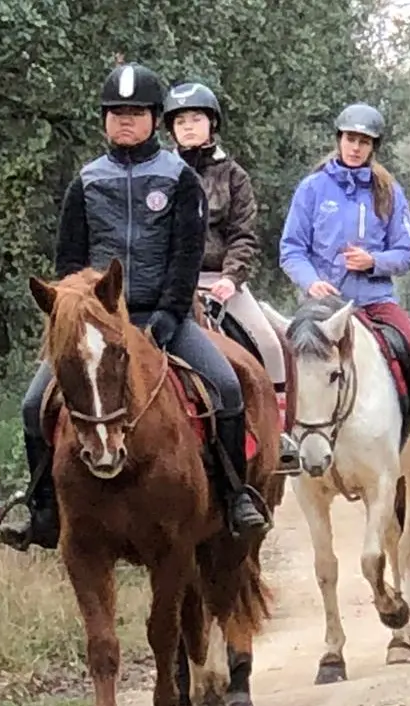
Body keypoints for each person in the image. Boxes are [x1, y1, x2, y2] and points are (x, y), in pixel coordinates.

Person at [0, 62, 272, 551]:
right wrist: (73, 315)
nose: (125, 121)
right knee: (32, 403)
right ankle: (41, 509)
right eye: (116, 113)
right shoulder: (86, 181)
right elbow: (69, 260)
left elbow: (187, 253)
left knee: (227, 386)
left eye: (136, 113)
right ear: (104, 120)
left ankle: (235, 497)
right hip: (97, 324)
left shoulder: (178, 177)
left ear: (152, 119)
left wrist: (169, 314)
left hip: (163, 316)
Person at [277, 102, 410, 483]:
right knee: (287, 358)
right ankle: (284, 440)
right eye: (350, 139)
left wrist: (373, 260)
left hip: (374, 300)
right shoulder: (312, 188)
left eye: (364, 142)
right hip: (321, 304)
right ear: (339, 139)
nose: (355, 147)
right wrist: (311, 281)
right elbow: (291, 249)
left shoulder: (388, 191)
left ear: (374, 147)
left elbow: (406, 253)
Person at [162, 81, 301, 477]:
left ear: (212, 124)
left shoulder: (233, 175)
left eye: (196, 119)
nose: (189, 127)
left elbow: (243, 234)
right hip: (172, 285)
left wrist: (230, 278)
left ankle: (279, 434)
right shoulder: (161, 172)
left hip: (222, 279)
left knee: (270, 344)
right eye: (181, 121)